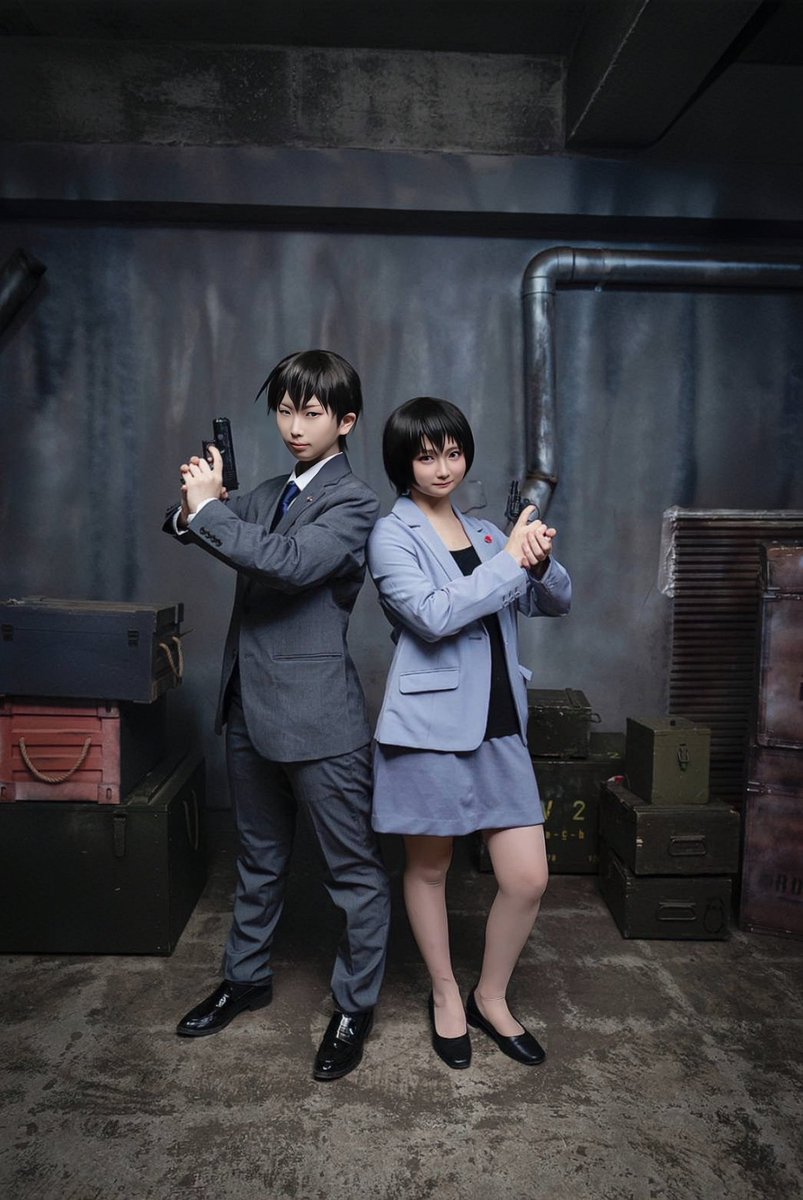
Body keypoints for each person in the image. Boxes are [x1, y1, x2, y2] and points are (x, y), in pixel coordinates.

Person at [164, 349, 390, 1081]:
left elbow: (288, 563)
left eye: (311, 413)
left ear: (345, 421)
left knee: (352, 872)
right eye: (285, 411)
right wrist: (196, 501)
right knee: (257, 860)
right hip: (248, 707)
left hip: (318, 718)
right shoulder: (267, 492)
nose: (294, 426)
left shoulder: (353, 504)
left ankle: (354, 1006)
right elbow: (194, 524)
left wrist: (209, 512)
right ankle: (246, 978)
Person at [366, 397, 571, 1070]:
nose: (443, 468)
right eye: (427, 456)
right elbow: (432, 615)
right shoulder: (391, 536)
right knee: (430, 868)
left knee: (527, 878)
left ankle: (491, 995)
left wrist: (536, 560)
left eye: (453, 453)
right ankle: (446, 992)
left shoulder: (487, 533)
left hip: (500, 723)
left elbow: (554, 600)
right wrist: (510, 561)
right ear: (403, 463)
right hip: (429, 729)